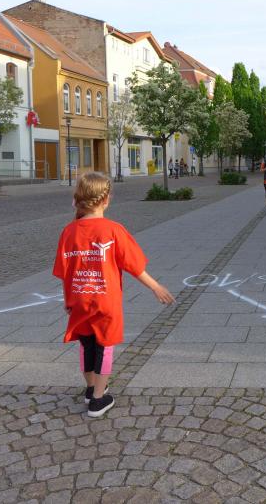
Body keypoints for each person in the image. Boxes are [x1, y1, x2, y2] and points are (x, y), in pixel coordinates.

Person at [53, 173, 174, 417]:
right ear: (106, 199)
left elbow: (65, 272)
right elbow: (134, 266)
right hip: (105, 301)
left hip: (79, 299)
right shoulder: (113, 230)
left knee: (86, 345)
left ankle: (90, 389)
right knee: (104, 347)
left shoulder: (68, 231)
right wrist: (155, 286)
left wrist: (68, 300)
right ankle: (98, 400)